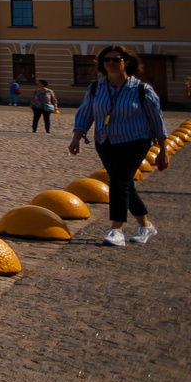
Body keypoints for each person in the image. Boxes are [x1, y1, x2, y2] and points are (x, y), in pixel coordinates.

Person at [69, 47, 167, 246]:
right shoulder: (96, 88)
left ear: (126, 62)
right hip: (105, 142)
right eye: (106, 60)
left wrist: (163, 151)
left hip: (135, 141)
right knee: (123, 183)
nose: (111, 63)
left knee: (119, 182)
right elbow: (86, 113)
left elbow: (157, 121)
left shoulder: (141, 90)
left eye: (116, 59)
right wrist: (76, 138)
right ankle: (146, 225)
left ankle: (116, 229)